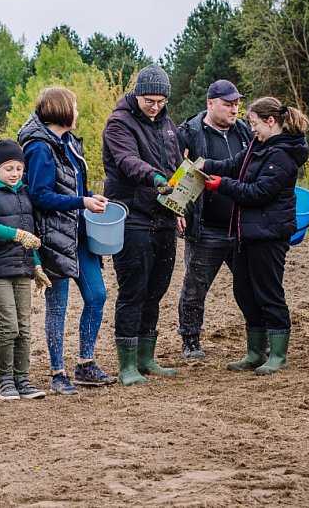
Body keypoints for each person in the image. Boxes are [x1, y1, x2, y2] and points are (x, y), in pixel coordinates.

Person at [198, 97, 309, 375]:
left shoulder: (282, 155)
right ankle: (255, 351)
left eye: (255, 123)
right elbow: (235, 164)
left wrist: (222, 186)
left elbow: (258, 192)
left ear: (271, 122)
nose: (252, 129)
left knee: (268, 292)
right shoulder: (259, 146)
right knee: (244, 291)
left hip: (269, 234)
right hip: (247, 231)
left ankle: (278, 354)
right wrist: (206, 165)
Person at [17, 86, 116, 395]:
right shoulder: (39, 148)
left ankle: (85, 363)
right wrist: (81, 202)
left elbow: (72, 188)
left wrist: (88, 198)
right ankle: (57, 372)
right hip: (53, 238)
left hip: (79, 234)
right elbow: (41, 195)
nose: (78, 112)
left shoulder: (69, 143)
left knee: (97, 296)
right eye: (74, 106)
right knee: (57, 307)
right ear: (61, 110)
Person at [102, 64, 184, 386]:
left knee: (157, 290)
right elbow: (127, 162)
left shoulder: (167, 126)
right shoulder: (119, 123)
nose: (155, 106)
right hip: (132, 216)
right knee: (133, 290)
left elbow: (175, 164)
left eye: (161, 101)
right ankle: (127, 364)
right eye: (149, 100)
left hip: (164, 217)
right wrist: (156, 178)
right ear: (137, 94)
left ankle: (146, 357)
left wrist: (180, 202)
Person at [176, 80, 252, 359]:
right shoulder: (189, 133)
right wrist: (178, 209)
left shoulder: (245, 130)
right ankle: (190, 339)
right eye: (228, 104)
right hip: (205, 226)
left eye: (236, 104)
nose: (234, 109)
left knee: (250, 285)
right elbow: (177, 172)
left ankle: (258, 337)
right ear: (211, 103)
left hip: (243, 225)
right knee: (195, 287)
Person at [0, 139, 53, 400]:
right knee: (9, 326)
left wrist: (38, 265)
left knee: (25, 326)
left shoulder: (25, 195)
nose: (15, 174)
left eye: (19, 168)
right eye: (9, 168)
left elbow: (30, 237)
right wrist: (17, 234)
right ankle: (4, 380)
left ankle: (23, 379)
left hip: (22, 268)